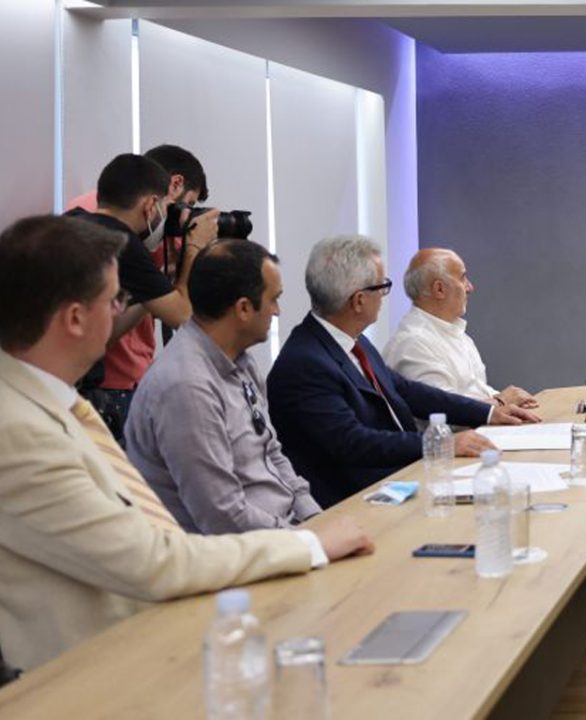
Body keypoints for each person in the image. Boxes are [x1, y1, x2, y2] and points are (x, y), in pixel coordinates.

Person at [0, 215, 373, 672]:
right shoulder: (18, 431)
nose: (121, 313)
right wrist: (307, 544)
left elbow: (271, 455)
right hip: (106, 668)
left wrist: (313, 529)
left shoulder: (53, 401)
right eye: (116, 299)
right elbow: (154, 560)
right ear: (75, 318)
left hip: (165, 620)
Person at [267, 235, 540, 508]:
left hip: (400, 480)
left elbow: (406, 390)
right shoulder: (305, 364)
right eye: (383, 286)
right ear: (359, 301)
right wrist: (444, 444)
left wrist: (489, 413)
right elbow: (352, 442)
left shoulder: (353, 341)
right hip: (358, 501)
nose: (385, 296)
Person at [126, 240, 322, 533]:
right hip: (239, 551)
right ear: (244, 308)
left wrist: (315, 519)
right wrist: (306, 540)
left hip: (281, 534)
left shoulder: (241, 360)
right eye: (273, 300)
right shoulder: (186, 386)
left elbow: (271, 451)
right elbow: (222, 516)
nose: (277, 311)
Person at [65, 152, 219, 439]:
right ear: (150, 206)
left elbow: (107, 333)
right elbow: (181, 315)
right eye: (167, 207)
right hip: (86, 391)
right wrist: (194, 248)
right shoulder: (122, 241)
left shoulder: (73, 223)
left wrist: (156, 287)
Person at [382, 248, 538, 408]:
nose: (470, 287)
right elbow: (444, 411)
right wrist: (502, 402)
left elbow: (476, 392)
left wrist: (513, 402)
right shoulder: (413, 343)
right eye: (462, 278)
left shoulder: (458, 335)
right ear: (439, 289)